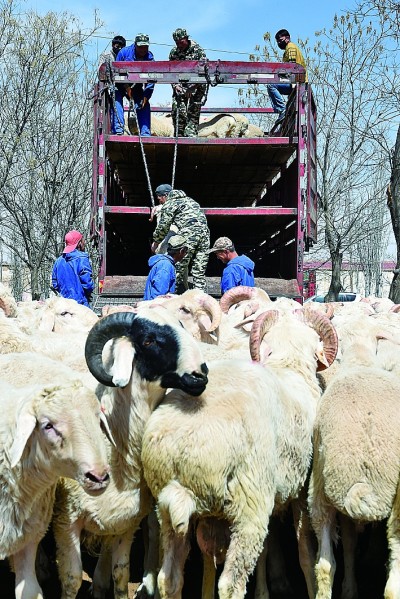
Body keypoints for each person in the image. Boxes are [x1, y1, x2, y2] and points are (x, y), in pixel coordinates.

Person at [151, 186, 210, 294]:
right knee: (199, 271)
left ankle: (171, 298)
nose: (159, 200)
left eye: (159, 198)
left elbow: (164, 226)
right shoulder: (191, 201)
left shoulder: (170, 204)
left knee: (178, 268)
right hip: (205, 235)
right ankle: (201, 300)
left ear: (165, 195)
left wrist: (156, 242)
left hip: (189, 234)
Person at [112, 33, 155, 136]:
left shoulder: (150, 57)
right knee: (116, 99)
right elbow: (116, 72)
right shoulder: (124, 53)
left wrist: (146, 96)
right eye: (140, 47)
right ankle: (119, 130)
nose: (143, 50)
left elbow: (152, 79)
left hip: (137, 86)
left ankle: (145, 133)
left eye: (145, 47)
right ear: (135, 45)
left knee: (144, 104)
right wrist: (126, 87)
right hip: (120, 84)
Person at [169, 28, 207, 137]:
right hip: (181, 85)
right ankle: (179, 134)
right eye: (177, 43)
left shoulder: (198, 50)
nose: (179, 45)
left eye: (181, 42)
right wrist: (176, 86)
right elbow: (171, 72)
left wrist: (193, 87)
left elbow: (204, 71)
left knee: (193, 111)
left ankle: (191, 135)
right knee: (178, 109)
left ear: (186, 38)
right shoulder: (174, 53)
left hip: (197, 85)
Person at [267, 29, 308, 127]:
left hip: (297, 82)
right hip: (297, 82)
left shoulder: (290, 48)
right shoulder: (289, 49)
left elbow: (291, 66)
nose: (279, 43)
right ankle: (284, 113)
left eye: (280, 40)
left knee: (271, 85)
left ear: (287, 38)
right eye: (277, 42)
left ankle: (282, 110)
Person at [51, 230, 94, 307]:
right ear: (79, 243)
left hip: (64, 306)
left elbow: (55, 284)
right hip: (80, 304)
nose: (85, 243)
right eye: (83, 240)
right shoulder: (82, 259)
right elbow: (87, 284)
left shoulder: (58, 261)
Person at [144, 234, 188, 300]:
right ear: (181, 251)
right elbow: (159, 297)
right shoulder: (165, 267)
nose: (185, 254)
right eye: (186, 251)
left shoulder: (165, 264)